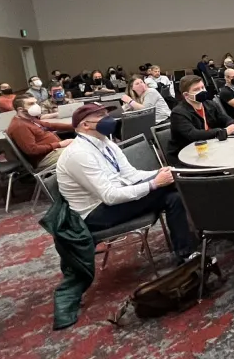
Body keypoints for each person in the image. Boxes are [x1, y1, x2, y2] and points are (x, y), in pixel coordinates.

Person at [57, 104, 195, 262]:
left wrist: (158, 173)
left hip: (116, 198)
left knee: (174, 197)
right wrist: (155, 184)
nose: (108, 119)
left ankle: (186, 255)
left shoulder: (106, 142)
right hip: (94, 214)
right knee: (174, 183)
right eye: (100, 115)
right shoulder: (79, 154)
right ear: (85, 125)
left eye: (107, 114)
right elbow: (109, 196)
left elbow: (131, 175)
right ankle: (211, 219)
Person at [167, 75, 234, 164]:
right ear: (186, 95)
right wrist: (223, 131)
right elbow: (193, 135)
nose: (202, 91)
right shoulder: (178, 113)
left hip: (211, 148)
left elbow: (224, 119)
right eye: (196, 89)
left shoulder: (210, 104)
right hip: (187, 156)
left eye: (202, 87)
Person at [7, 93, 73, 169]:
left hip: (54, 151)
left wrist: (74, 126)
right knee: (80, 152)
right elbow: (32, 150)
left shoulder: (29, 118)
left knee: (83, 146)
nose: (36, 106)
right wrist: (60, 144)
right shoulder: (19, 126)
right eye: (31, 104)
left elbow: (50, 126)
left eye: (35, 103)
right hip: (46, 158)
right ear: (20, 109)